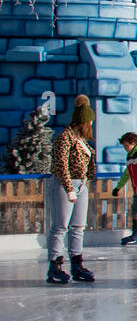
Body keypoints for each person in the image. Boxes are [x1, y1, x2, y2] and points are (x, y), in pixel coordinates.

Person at [46, 94, 96, 285]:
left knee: (78, 227)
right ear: (83, 121)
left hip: (81, 185)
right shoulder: (64, 138)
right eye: (89, 122)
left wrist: (85, 182)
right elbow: (61, 165)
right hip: (64, 185)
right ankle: (55, 266)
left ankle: (77, 264)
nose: (91, 125)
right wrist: (69, 189)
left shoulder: (81, 140)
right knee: (60, 227)